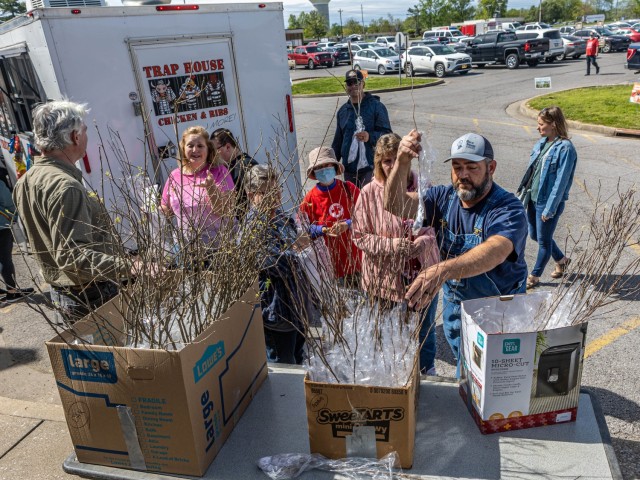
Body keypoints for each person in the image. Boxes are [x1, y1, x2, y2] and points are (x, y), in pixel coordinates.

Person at [384, 131, 528, 366]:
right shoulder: (443, 198)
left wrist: (443, 270)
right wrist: (401, 161)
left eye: (472, 167)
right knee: (466, 368)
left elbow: (496, 250)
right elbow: (394, 203)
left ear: (490, 167)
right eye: (457, 166)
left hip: (498, 314)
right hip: (457, 308)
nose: (463, 175)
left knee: (493, 379)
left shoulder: (508, 208)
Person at [12, 100, 134, 322]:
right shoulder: (65, 186)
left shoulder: (27, 180)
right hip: (90, 295)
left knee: (90, 355)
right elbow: (73, 257)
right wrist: (133, 266)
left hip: (64, 292)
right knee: (113, 354)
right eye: (85, 131)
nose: (86, 137)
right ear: (75, 137)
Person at [352, 133, 440, 375]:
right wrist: (392, 246)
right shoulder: (369, 192)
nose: (391, 165)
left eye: (396, 159)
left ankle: (426, 371)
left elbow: (436, 225)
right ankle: (394, 376)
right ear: (378, 163)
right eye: (386, 161)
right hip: (384, 280)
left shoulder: (423, 186)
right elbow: (359, 236)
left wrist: (422, 242)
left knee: (423, 329)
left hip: (421, 275)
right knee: (388, 332)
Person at [244, 164, 310, 364]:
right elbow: (280, 264)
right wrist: (297, 251)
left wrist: (298, 247)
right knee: (284, 366)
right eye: (266, 193)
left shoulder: (280, 217)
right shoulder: (253, 228)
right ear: (251, 195)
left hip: (297, 309)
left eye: (277, 190)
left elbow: (298, 242)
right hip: (277, 313)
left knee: (299, 359)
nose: (275, 197)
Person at [524, 107, 577, 289]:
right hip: (533, 197)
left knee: (543, 241)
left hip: (547, 202)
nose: (538, 128)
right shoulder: (541, 143)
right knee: (534, 234)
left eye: (541, 124)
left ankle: (534, 276)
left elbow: (561, 182)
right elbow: (533, 171)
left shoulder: (566, 149)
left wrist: (550, 208)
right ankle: (562, 260)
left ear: (553, 124)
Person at [161, 126, 235, 254]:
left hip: (219, 249)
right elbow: (166, 208)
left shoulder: (219, 171)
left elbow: (225, 210)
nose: (195, 150)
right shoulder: (175, 176)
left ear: (208, 150)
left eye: (200, 146)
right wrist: (153, 210)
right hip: (186, 249)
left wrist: (211, 187)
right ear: (183, 149)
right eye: (190, 145)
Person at [300, 146, 361, 283]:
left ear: (334, 166)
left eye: (327, 165)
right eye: (320, 167)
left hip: (356, 261)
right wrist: (323, 230)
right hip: (329, 265)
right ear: (314, 172)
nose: (324, 170)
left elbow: (368, 215)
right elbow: (303, 229)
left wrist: (348, 224)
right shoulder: (309, 199)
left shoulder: (349, 189)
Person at [331, 69, 392, 188]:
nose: (353, 86)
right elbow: (338, 141)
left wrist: (370, 137)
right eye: (349, 83)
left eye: (356, 82)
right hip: (349, 170)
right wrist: (330, 164)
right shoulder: (343, 111)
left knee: (368, 202)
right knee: (354, 203)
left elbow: (388, 136)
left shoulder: (376, 107)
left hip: (371, 167)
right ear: (346, 86)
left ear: (363, 84)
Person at [210, 128, 258, 217]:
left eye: (215, 151)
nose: (213, 155)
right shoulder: (228, 166)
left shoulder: (247, 165)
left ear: (228, 147)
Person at [0, 178, 34, 303]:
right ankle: (12, 293)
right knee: (4, 259)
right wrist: (13, 217)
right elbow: (9, 202)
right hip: (1, 227)